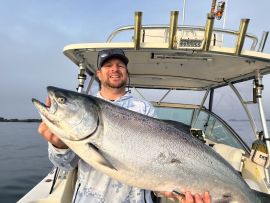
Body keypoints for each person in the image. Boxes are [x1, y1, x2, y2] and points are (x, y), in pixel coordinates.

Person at [38, 48, 211, 203]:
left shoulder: (143, 109)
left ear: (126, 73)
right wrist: (59, 146)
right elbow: (64, 165)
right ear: (98, 73)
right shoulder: (81, 112)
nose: (115, 69)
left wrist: (173, 190)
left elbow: (159, 163)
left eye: (120, 65)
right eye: (108, 65)